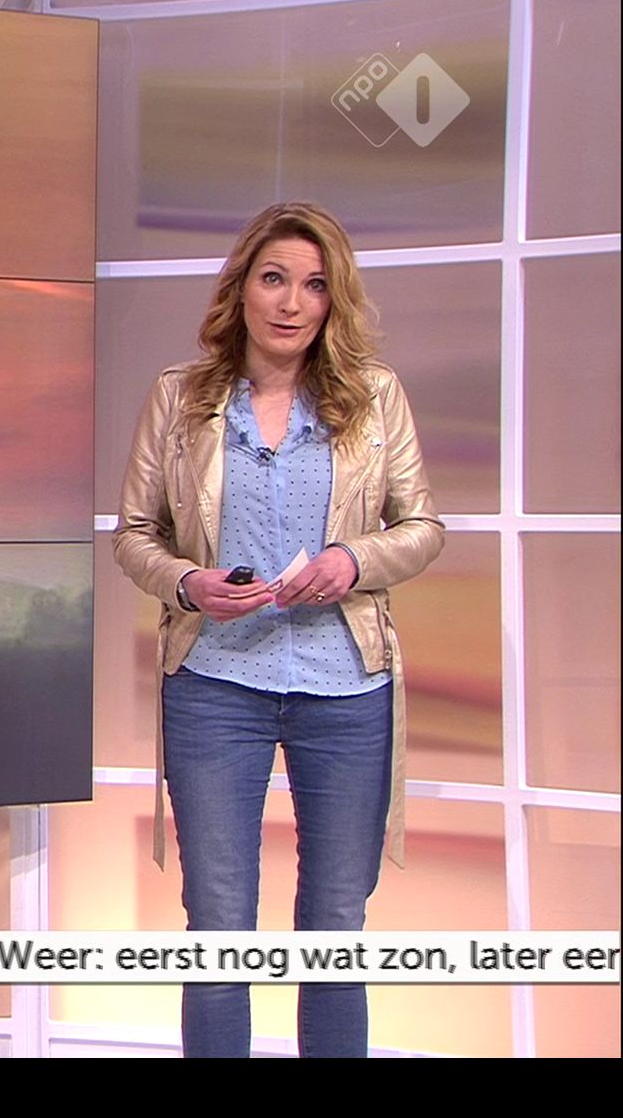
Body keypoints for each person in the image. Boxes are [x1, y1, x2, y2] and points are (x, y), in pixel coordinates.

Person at [113, 201, 445, 1057]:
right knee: (218, 925)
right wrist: (188, 582)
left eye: (315, 285)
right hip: (216, 688)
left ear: (334, 300)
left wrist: (353, 561)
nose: (293, 303)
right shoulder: (180, 398)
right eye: (275, 279)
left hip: (347, 689)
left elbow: (422, 527)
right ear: (242, 289)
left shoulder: (374, 397)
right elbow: (134, 535)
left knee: (335, 926)